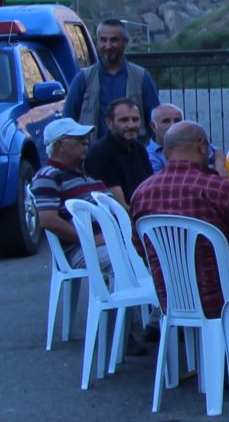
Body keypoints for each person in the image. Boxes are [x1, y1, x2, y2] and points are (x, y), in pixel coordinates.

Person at [129, 122, 229, 383]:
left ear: (167, 151)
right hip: (225, 292)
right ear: (202, 146)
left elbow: (140, 248)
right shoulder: (217, 189)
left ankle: (227, 356)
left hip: (171, 296)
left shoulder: (141, 193)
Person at [31, 117, 116, 270]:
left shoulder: (87, 176)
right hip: (82, 249)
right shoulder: (48, 176)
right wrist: (90, 240)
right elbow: (48, 220)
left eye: (85, 137)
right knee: (119, 262)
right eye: (78, 138)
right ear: (58, 145)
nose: (85, 142)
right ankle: (118, 295)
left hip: (111, 242)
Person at [65, 18, 161, 129]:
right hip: (94, 146)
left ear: (126, 42)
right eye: (103, 40)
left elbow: (155, 121)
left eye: (114, 40)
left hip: (131, 145)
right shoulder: (83, 79)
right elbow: (68, 122)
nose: (108, 46)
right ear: (97, 42)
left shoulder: (142, 77)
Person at [84, 97, 155, 197]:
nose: (131, 125)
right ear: (109, 123)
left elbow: (150, 188)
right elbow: (118, 205)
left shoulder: (139, 148)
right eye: (124, 120)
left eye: (135, 120)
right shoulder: (100, 154)